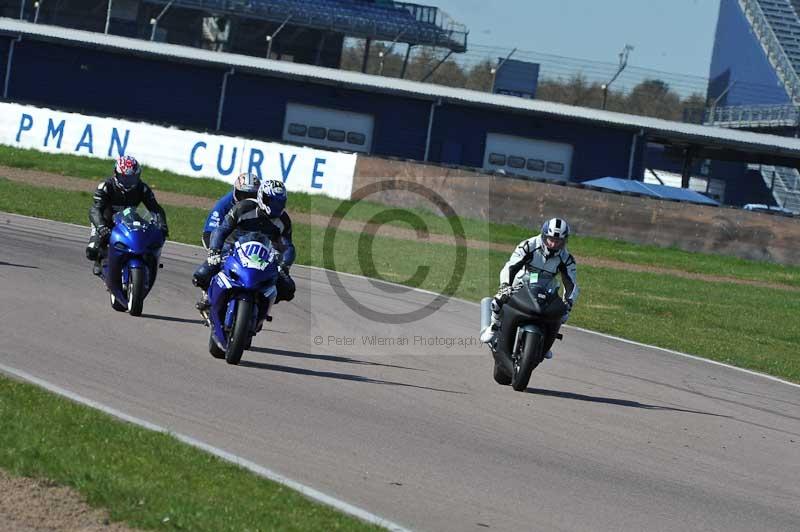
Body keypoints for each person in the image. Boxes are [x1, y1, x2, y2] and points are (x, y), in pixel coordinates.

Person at [480, 217, 579, 359]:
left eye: (558, 241)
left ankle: (545, 344)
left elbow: (571, 283)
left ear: (564, 241)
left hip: (547, 285)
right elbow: (511, 266)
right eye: (551, 239)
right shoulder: (529, 245)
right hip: (524, 279)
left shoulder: (567, 258)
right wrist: (505, 286)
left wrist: (568, 302)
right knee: (498, 300)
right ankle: (494, 326)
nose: (553, 244)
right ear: (544, 235)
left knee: (562, 315)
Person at [193, 178, 296, 313]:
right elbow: (221, 230)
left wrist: (284, 265)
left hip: (263, 256)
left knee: (288, 288)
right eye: (273, 202)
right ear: (262, 197)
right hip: (232, 249)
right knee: (201, 275)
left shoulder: (284, 221)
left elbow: (288, 247)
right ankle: (208, 295)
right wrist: (214, 251)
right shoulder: (243, 208)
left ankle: (261, 307)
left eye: (280, 202)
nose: (277, 206)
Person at [86, 155, 168, 276]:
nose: (129, 182)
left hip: (128, 221)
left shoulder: (142, 188)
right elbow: (95, 210)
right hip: (105, 222)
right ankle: (101, 261)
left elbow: (155, 209)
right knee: (92, 251)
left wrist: (162, 225)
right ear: (116, 174)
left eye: (132, 178)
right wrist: (101, 226)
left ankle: (147, 265)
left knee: (150, 241)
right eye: (125, 178)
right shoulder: (105, 187)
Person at [201, 172, 261, 249]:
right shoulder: (224, 204)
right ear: (235, 191)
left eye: (252, 196)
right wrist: (215, 252)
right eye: (242, 195)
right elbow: (208, 235)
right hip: (230, 245)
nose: (246, 201)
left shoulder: (264, 204)